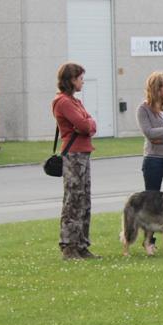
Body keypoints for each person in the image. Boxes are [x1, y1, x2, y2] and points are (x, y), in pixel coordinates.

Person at [52, 62, 99, 259]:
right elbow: (83, 124)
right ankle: (69, 246)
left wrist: (87, 124)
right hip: (74, 156)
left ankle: (81, 244)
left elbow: (90, 124)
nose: (83, 82)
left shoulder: (75, 102)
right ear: (71, 80)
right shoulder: (62, 102)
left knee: (84, 200)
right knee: (73, 200)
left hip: (84, 154)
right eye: (80, 79)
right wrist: (86, 125)